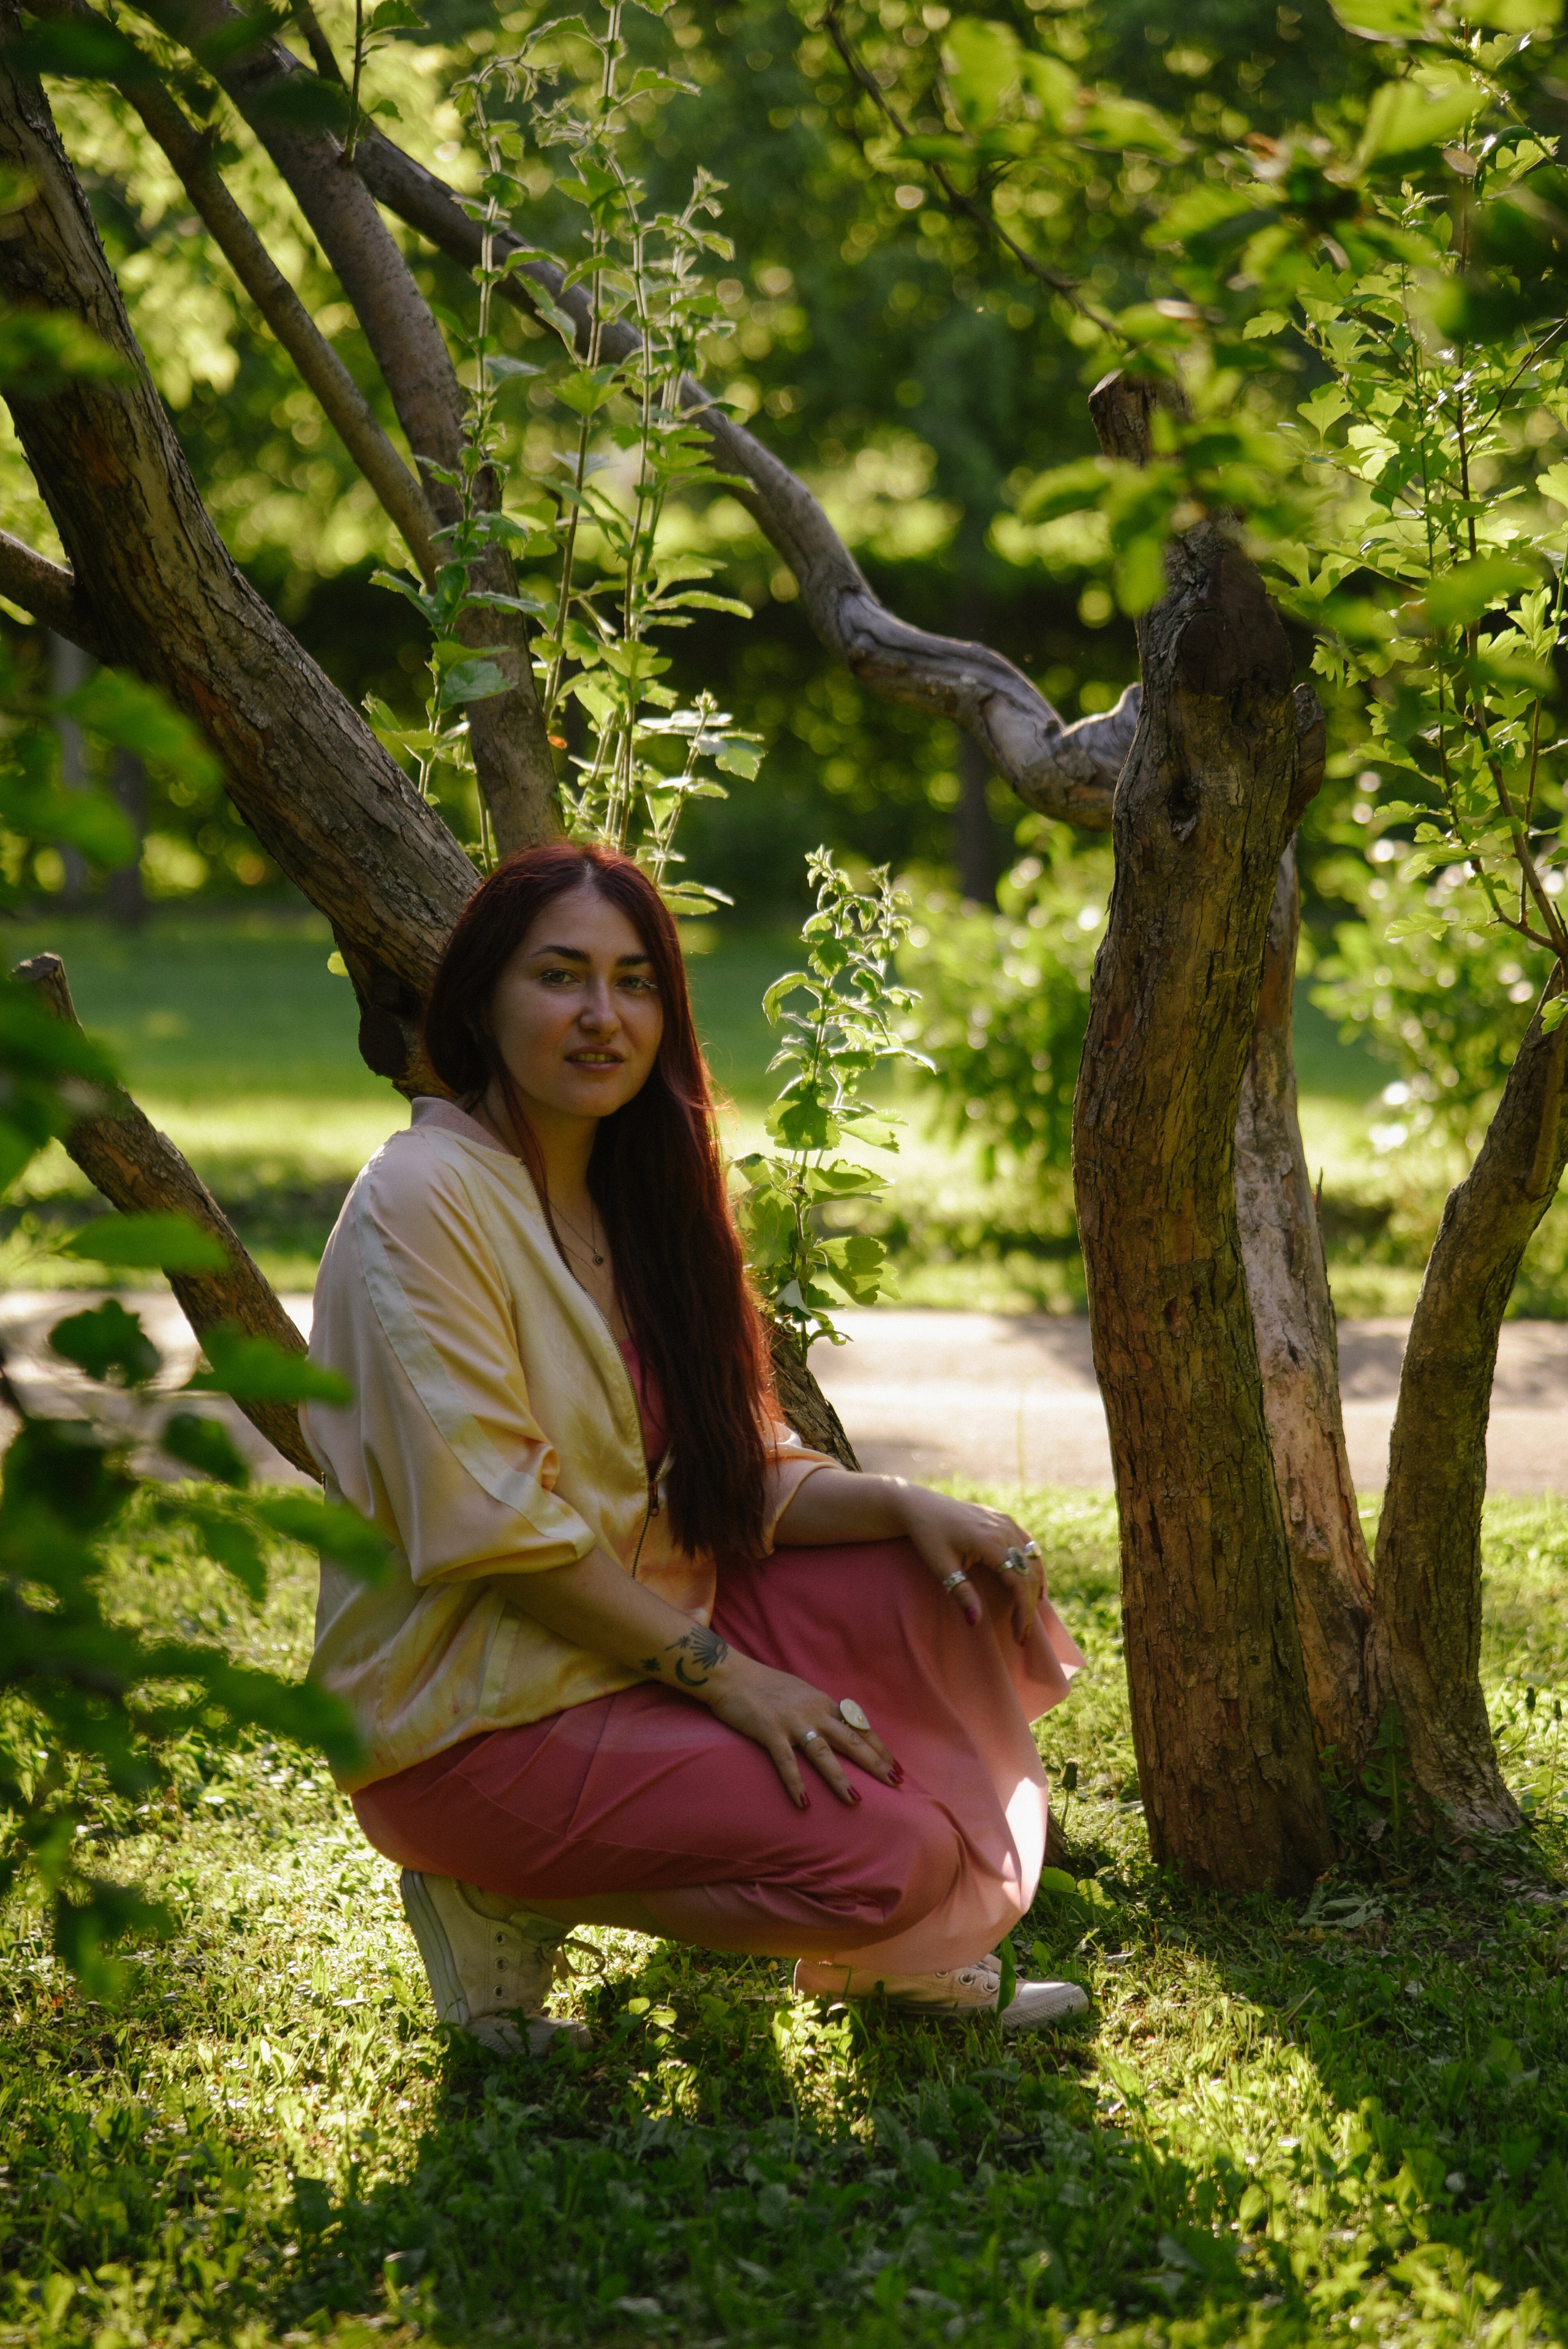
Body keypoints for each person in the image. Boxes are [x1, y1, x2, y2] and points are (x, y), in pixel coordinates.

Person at [303, 843, 1088, 2055]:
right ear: (480, 1002)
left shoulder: (636, 1192)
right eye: (559, 977)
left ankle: (891, 1936)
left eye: (634, 983)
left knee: (922, 1574)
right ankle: (499, 1893)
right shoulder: (424, 1198)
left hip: (627, 1655)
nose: (601, 1015)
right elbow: (499, 1533)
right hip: (470, 1720)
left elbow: (716, 1469)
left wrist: (904, 1504)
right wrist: (733, 1680)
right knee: (900, 1858)